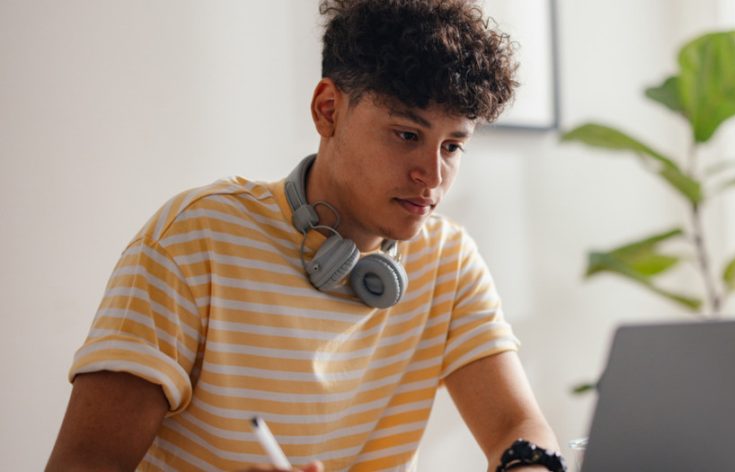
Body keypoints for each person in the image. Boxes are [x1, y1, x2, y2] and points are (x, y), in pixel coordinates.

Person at [45, 1, 564, 470]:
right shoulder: (193, 238)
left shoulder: (448, 259)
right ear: (327, 110)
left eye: (452, 147)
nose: (431, 176)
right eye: (407, 135)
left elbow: (517, 430)